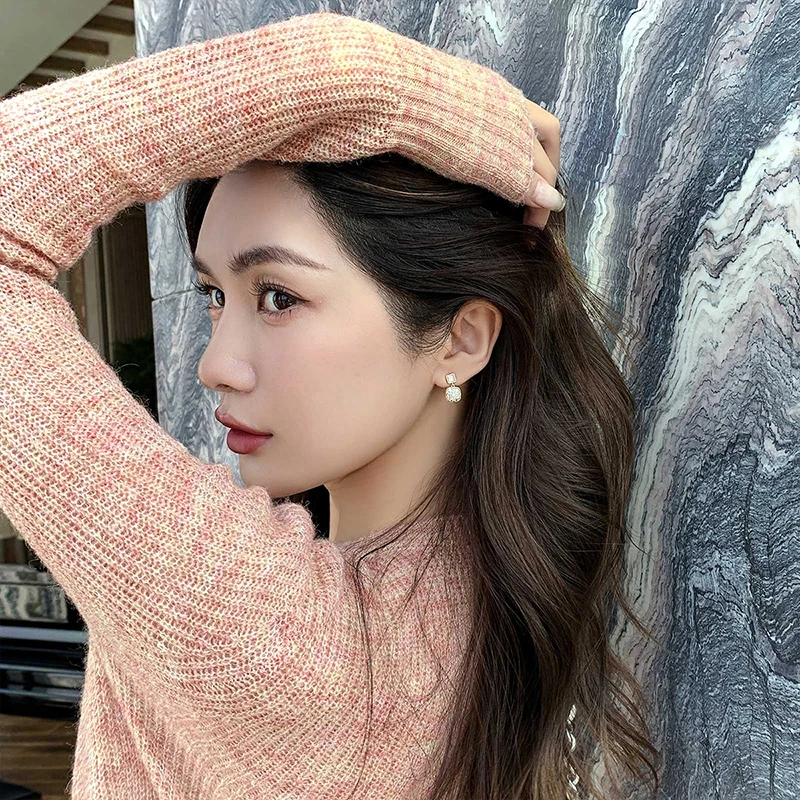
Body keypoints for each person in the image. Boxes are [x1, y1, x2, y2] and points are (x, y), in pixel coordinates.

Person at [0, 10, 658, 800]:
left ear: (460, 341)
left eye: (278, 297)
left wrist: (362, 71)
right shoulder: (480, 611)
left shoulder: (273, 634)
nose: (213, 365)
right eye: (214, 295)